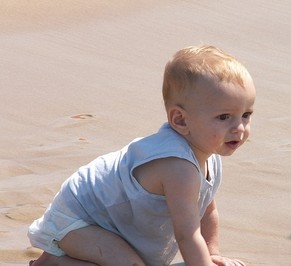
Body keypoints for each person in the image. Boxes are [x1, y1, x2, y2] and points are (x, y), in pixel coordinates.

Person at [28, 44, 256, 266]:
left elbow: (207, 209)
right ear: (180, 120)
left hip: (114, 222)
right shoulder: (178, 166)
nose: (239, 127)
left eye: (245, 114)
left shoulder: (208, 154)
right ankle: (54, 261)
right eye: (224, 117)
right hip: (81, 219)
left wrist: (212, 254)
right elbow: (187, 235)